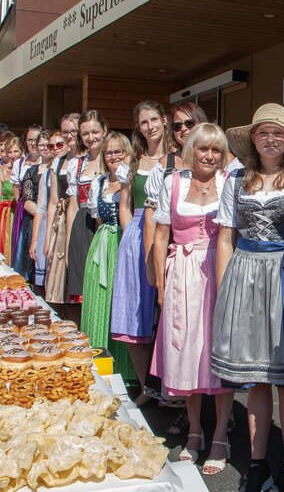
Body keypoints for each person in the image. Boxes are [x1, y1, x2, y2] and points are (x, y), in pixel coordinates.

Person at [213, 103, 284, 492]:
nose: (271, 138)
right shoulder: (236, 179)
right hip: (245, 275)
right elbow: (226, 238)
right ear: (253, 139)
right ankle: (257, 464)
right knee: (256, 380)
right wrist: (225, 292)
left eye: (278, 133)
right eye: (263, 132)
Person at [150, 123, 235, 476]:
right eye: (203, 149)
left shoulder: (230, 182)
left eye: (216, 150)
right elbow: (160, 236)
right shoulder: (174, 183)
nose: (210, 156)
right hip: (183, 273)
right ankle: (196, 430)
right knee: (186, 351)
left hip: (219, 271)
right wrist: (160, 285)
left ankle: (221, 434)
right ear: (191, 150)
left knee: (219, 351)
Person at [112, 101, 170, 404]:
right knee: (134, 313)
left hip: (167, 234)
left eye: (154, 119)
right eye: (144, 122)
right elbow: (125, 204)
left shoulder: (176, 158)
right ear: (138, 127)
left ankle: (170, 387)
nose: (150, 126)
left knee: (165, 311)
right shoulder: (132, 162)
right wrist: (130, 234)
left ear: (164, 120)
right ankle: (147, 387)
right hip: (136, 236)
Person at [83, 131, 134, 381]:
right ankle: (99, 364)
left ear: (127, 153)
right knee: (100, 300)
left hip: (124, 242)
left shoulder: (131, 181)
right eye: (109, 152)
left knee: (121, 304)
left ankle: (126, 370)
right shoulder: (98, 183)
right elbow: (99, 221)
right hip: (103, 245)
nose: (113, 156)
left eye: (118, 151)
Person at [66, 110, 109, 325]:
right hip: (83, 225)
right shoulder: (76, 165)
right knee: (85, 282)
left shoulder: (113, 159)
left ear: (104, 131)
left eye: (95, 132)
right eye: (85, 134)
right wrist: (68, 243)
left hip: (108, 223)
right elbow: (73, 206)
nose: (91, 138)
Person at [43, 114, 80, 304]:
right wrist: (48, 237)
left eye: (73, 131)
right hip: (62, 219)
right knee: (59, 274)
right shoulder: (58, 163)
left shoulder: (89, 159)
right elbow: (52, 202)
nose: (69, 135)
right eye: (65, 132)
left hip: (82, 219)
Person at [30, 131, 62, 293]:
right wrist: (35, 240)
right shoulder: (47, 174)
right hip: (48, 225)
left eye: (59, 144)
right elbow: (41, 208)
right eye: (51, 145)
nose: (55, 149)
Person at [18, 131, 50, 285]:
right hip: (35, 219)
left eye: (48, 145)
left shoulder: (59, 167)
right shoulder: (31, 171)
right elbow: (26, 200)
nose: (45, 148)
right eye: (41, 145)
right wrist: (42, 214)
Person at [12, 125, 44, 274]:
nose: (33, 143)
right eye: (30, 140)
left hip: (43, 211)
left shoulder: (49, 161)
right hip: (24, 210)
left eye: (36, 140)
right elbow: (17, 191)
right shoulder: (20, 163)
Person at [0, 133, 22, 260]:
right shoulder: (1, 173)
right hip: (6, 215)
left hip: (21, 214)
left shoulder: (27, 170)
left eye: (16, 151)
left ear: (22, 151)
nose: (13, 155)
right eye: (10, 152)